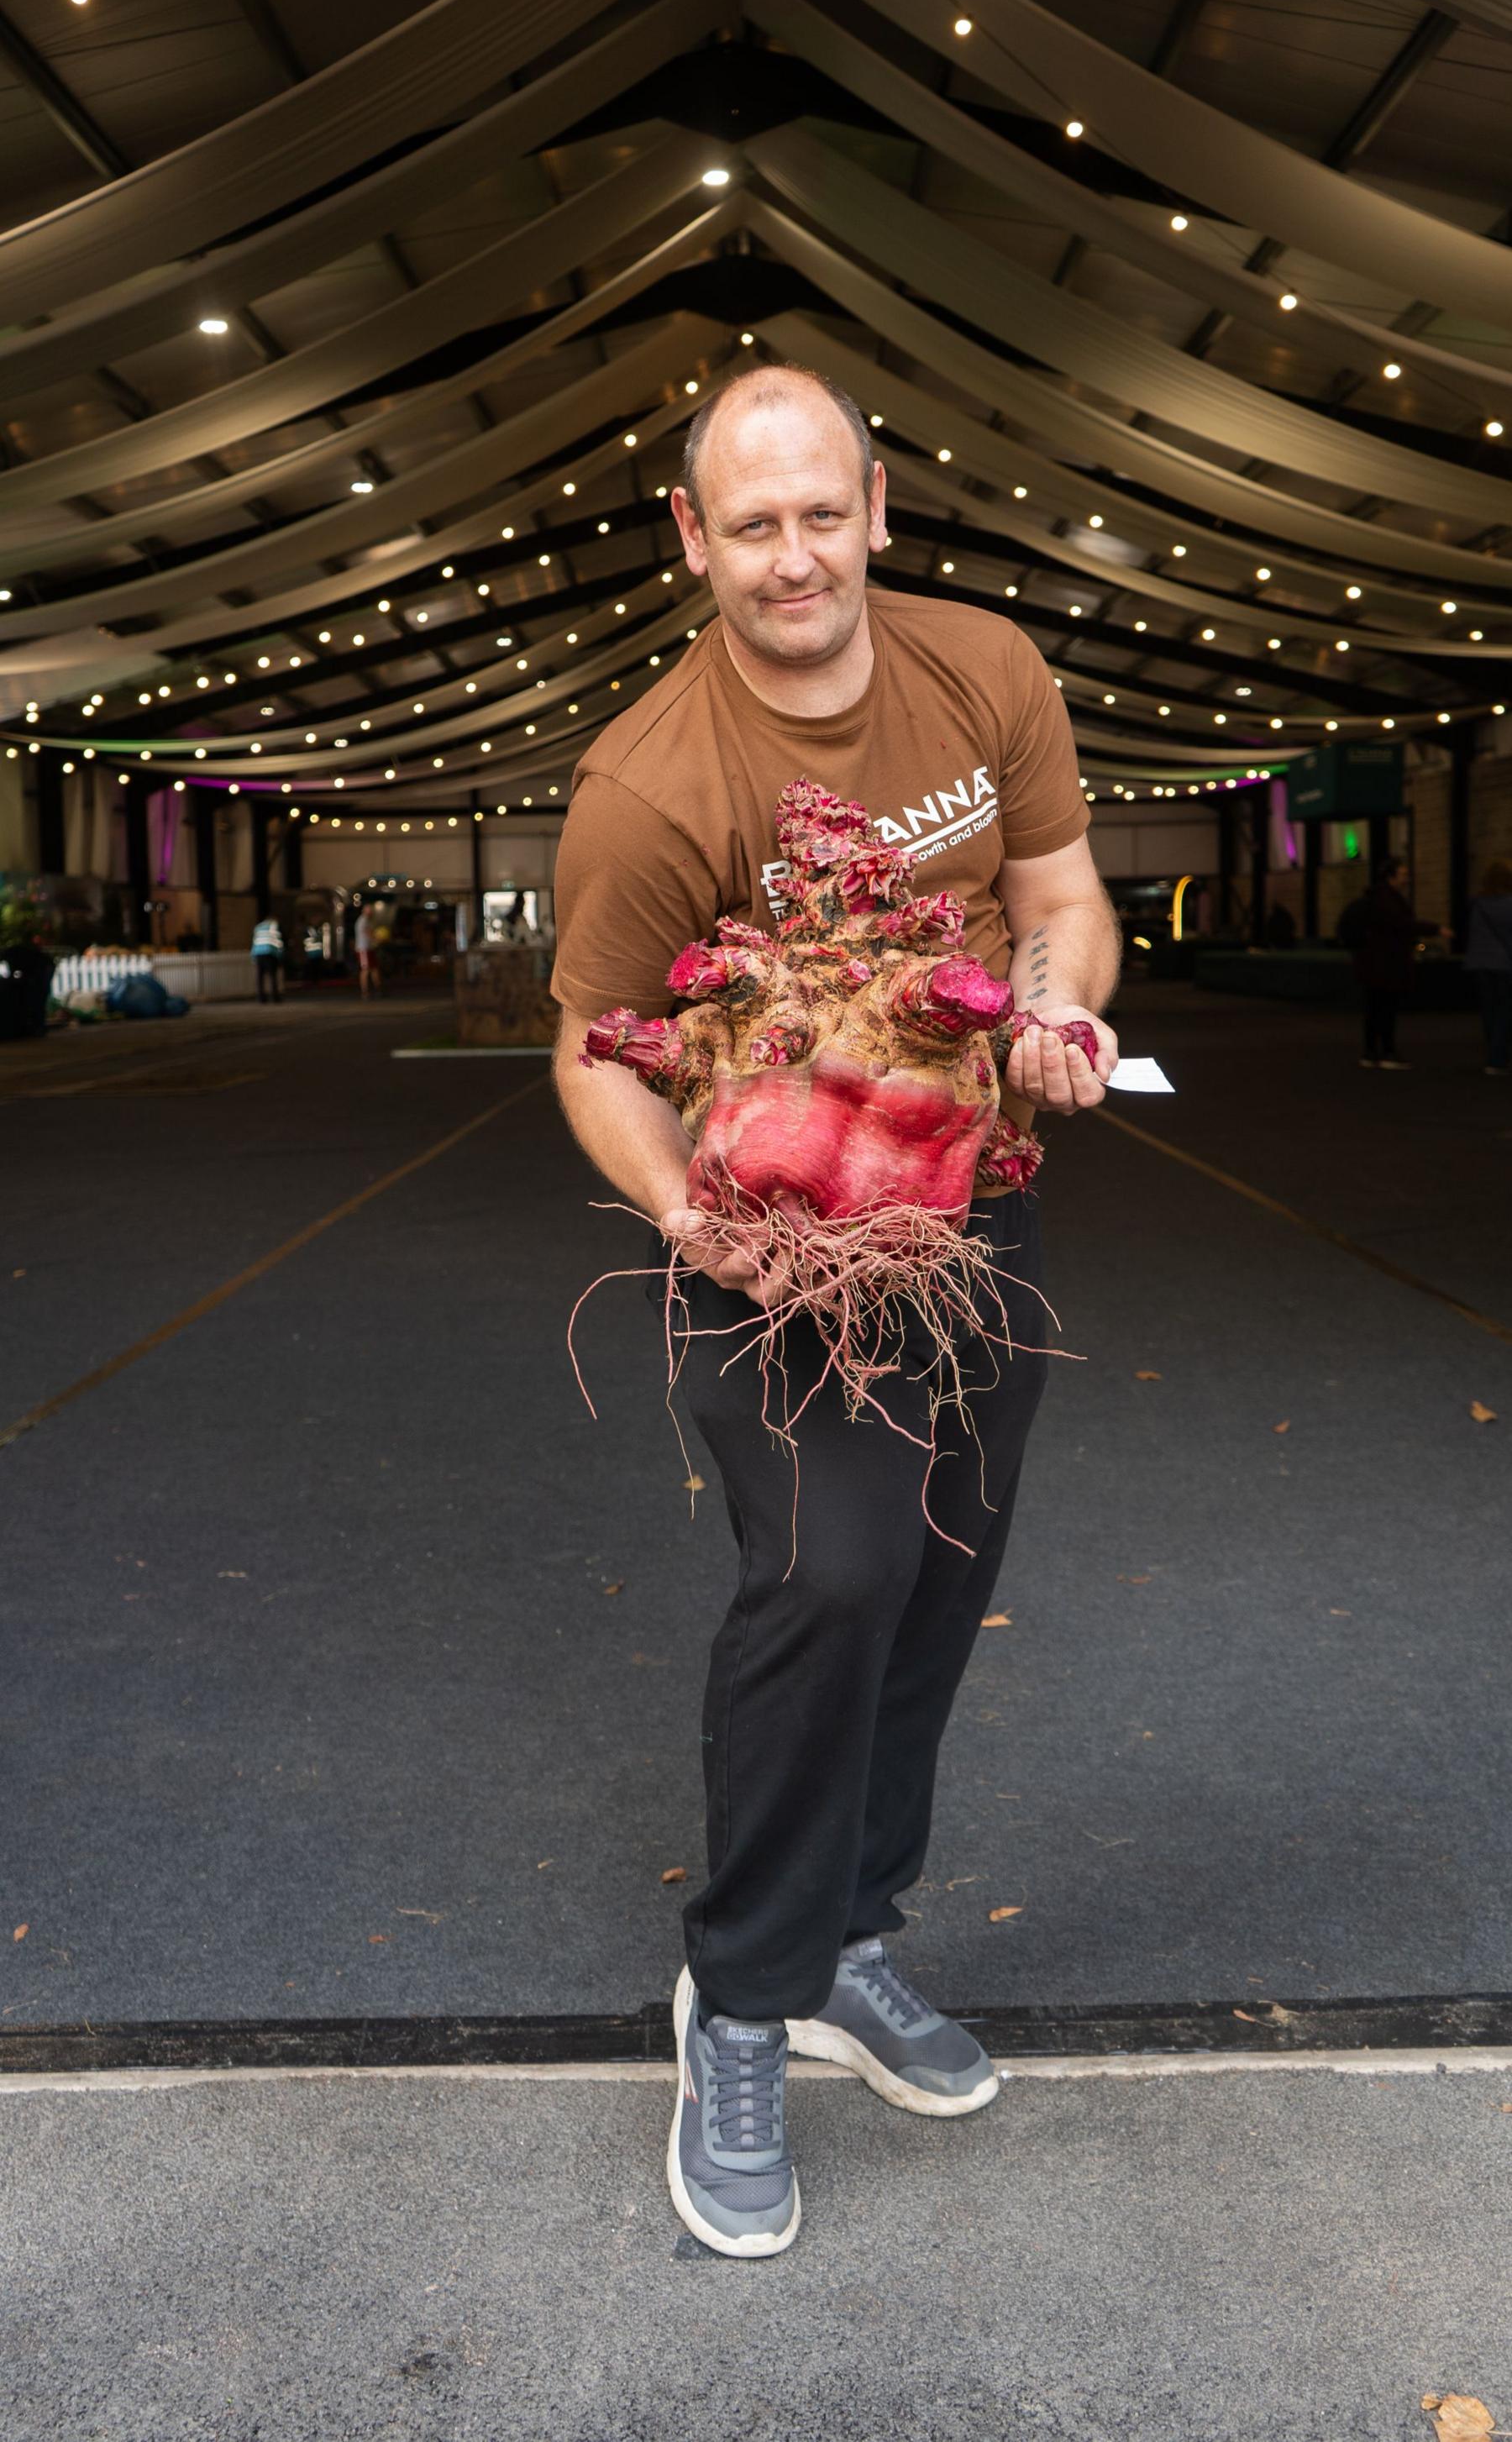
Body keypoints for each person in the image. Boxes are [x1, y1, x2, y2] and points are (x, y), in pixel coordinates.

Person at [549, 362, 1119, 2260]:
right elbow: (594, 1052)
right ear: (694, 539)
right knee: (833, 1571)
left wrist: (1048, 1001)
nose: (793, 555)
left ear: (876, 508)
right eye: (751, 520)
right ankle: (740, 1984)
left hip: (977, 1220)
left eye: (824, 511)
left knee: (945, 1562)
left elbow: (1060, 891)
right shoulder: (651, 779)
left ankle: (851, 1930)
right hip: (775, 1241)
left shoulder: (986, 671)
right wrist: (685, 1209)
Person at [1345, 855, 1451, 1069]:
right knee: (1386, 1008)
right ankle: (1388, 1052)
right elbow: (1403, 925)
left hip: (1372, 963)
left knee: (1374, 1007)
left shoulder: (1376, 898)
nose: (1407, 878)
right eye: (1403, 874)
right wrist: (1435, 929)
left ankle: (1371, 1052)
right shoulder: (1388, 900)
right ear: (1391, 876)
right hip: (1386, 963)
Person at [1463, 856, 1512, 1074]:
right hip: (1503, 963)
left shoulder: (1478, 904)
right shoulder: (1508, 904)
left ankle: (1494, 1053)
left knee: (1489, 1011)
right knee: (1505, 1010)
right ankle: (1497, 1057)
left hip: (1478, 963)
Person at [250, 911, 283, 1004]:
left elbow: (254, 942)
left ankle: (261, 998)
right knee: (272, 976)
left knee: (260, 977)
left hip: (258, 954)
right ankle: (275, 997)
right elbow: (278, 942)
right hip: (270, 953)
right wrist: (280, 956)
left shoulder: (258, 927)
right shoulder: (274, 926)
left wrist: (253, 957)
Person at [354, 901, 379, 998]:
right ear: (364, 911)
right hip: (363, 949)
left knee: (374, 968)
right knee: (365, 969)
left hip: (369, 948)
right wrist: (376, 938)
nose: (370, 912)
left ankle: (377, 987)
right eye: (369, 911)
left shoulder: (368, 920)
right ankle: (364, 991)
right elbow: (367, 932)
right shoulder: (363, 920)